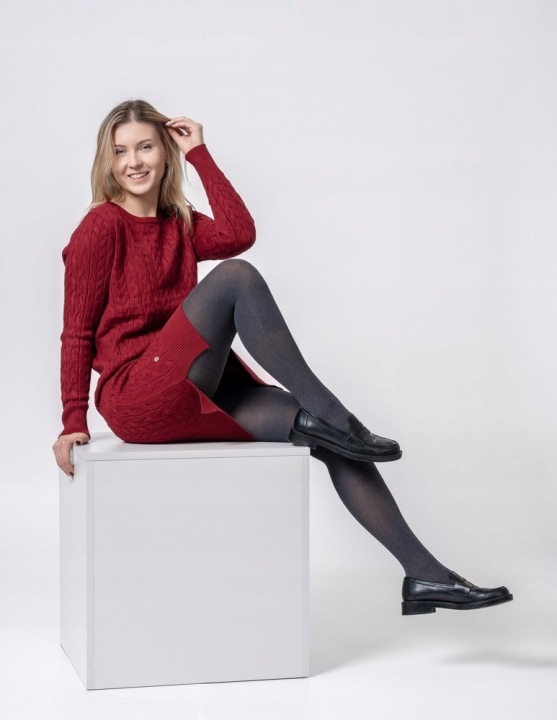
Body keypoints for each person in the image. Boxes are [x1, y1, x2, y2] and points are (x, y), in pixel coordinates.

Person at [52, 99, 513, 616]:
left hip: (197, 387)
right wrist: (73, 421)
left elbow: (239, 232)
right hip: (137, 396)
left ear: (165, 153)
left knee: (331, 442)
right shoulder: (100, 227)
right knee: (236, 278)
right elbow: (76, 333)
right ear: (107, 160)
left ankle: (425, 575)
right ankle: (339, 415)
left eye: (145, 147)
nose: (134, 162)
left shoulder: (180, 223)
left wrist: (199, 152)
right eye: (120, 152)